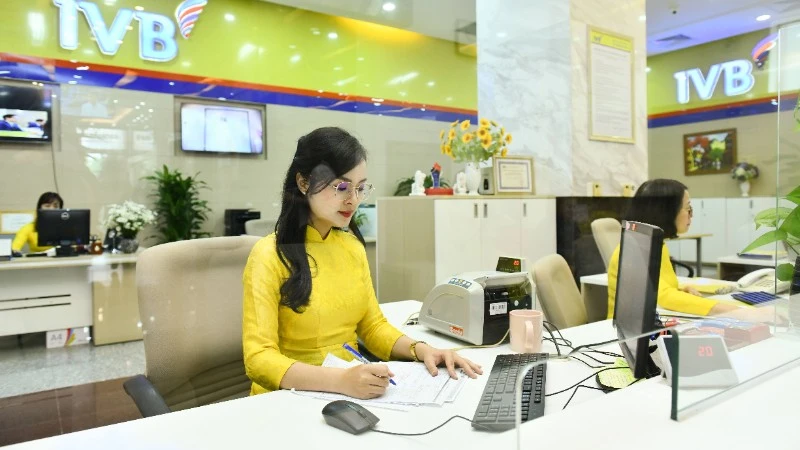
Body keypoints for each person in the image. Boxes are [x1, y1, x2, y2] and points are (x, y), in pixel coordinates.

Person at [242, 127, 482, 399]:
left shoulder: (352, 248)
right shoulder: (268, 255)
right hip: (285, 398)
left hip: (348, 392)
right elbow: (258, 358)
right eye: (341, 186)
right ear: (303, 183)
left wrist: (422, 349)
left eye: (359, 188)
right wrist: (340, 380)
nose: (353, 199)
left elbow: (372, 326)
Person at [607, 179, 779, 323]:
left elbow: (656, 290)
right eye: (688, 208)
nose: (691, 215)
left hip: (641, 326)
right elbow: (664, 297)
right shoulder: (638, 249)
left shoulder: (652, 243)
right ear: (666, 212)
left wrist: (680, 290)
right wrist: (745, 313)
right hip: (617, 336)